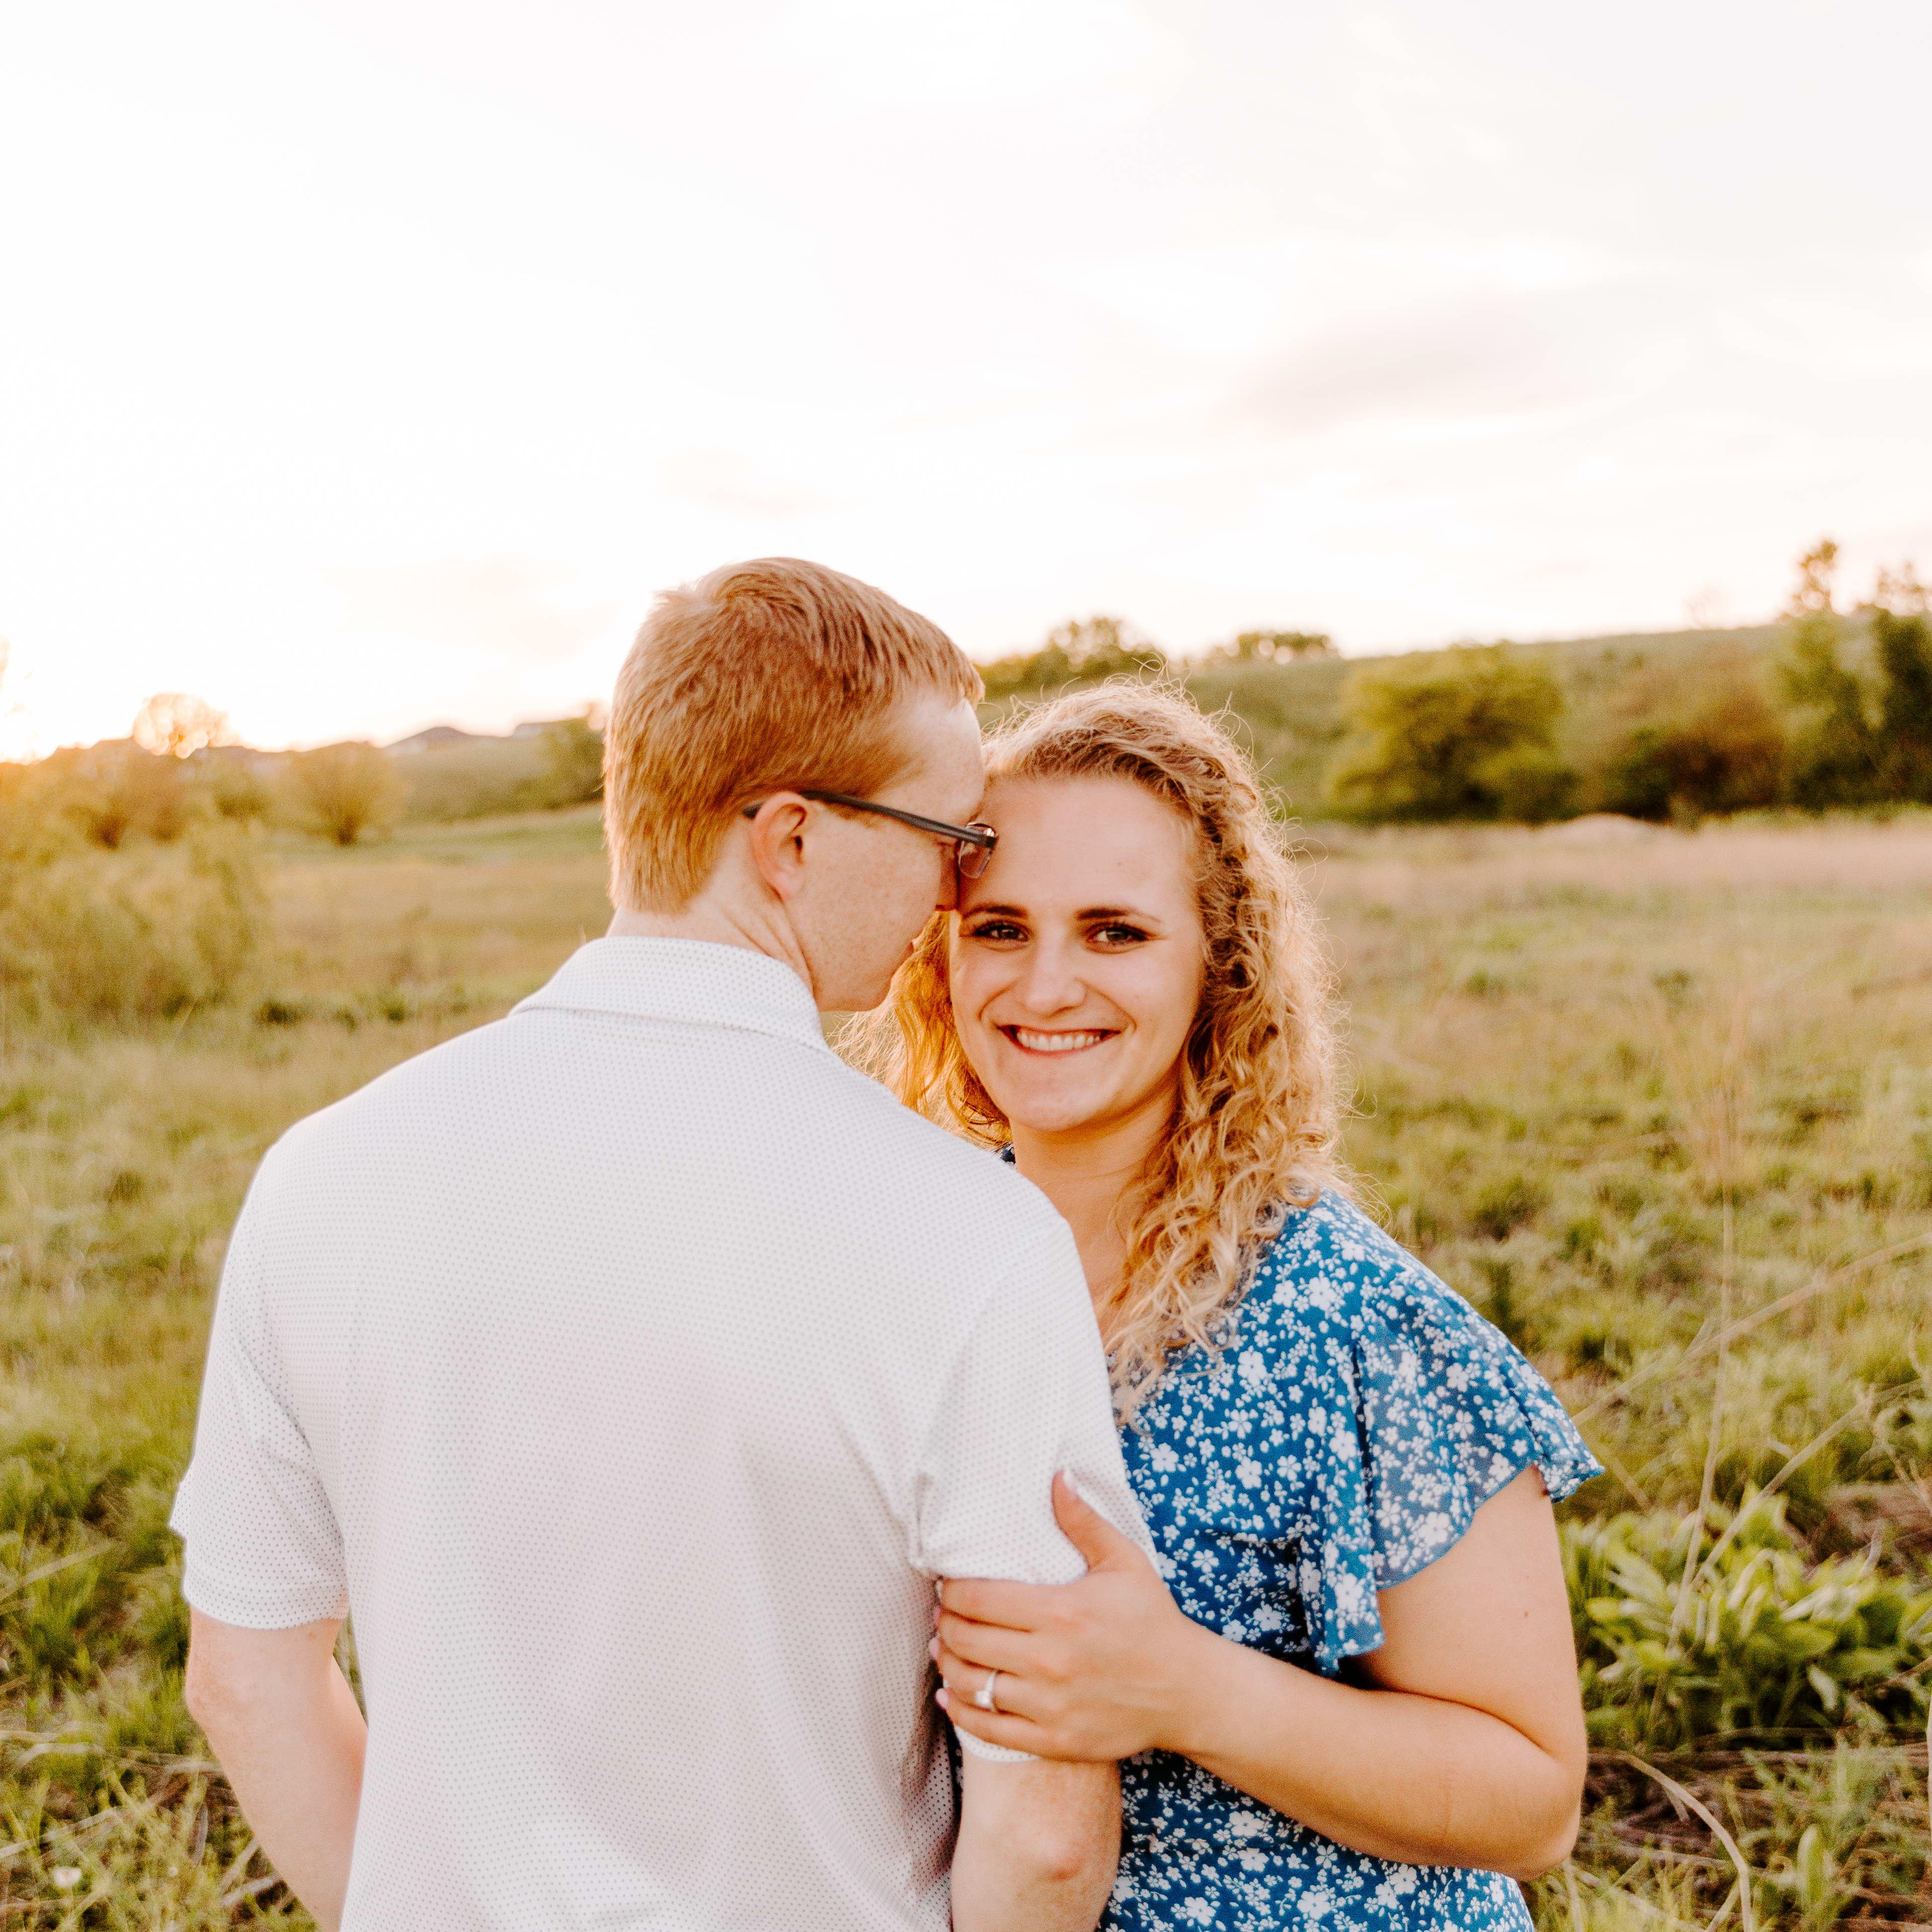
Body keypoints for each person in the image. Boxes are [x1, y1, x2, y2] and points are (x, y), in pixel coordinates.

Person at [172, 558, 1150, 1932]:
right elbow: (1042, 1832)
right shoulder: (973, 1236)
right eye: (950, 837)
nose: (954, 890)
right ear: (791, 840)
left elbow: (245, 1681)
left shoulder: (320, 1178)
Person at [852, 682, 1602, 1932]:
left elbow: (1532, 1800)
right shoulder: (910, 1275)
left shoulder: (1348, 1315)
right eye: (999, 929)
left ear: (1222, 965)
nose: (1046, 986)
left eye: (1115, 933)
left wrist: (1183, 1689)